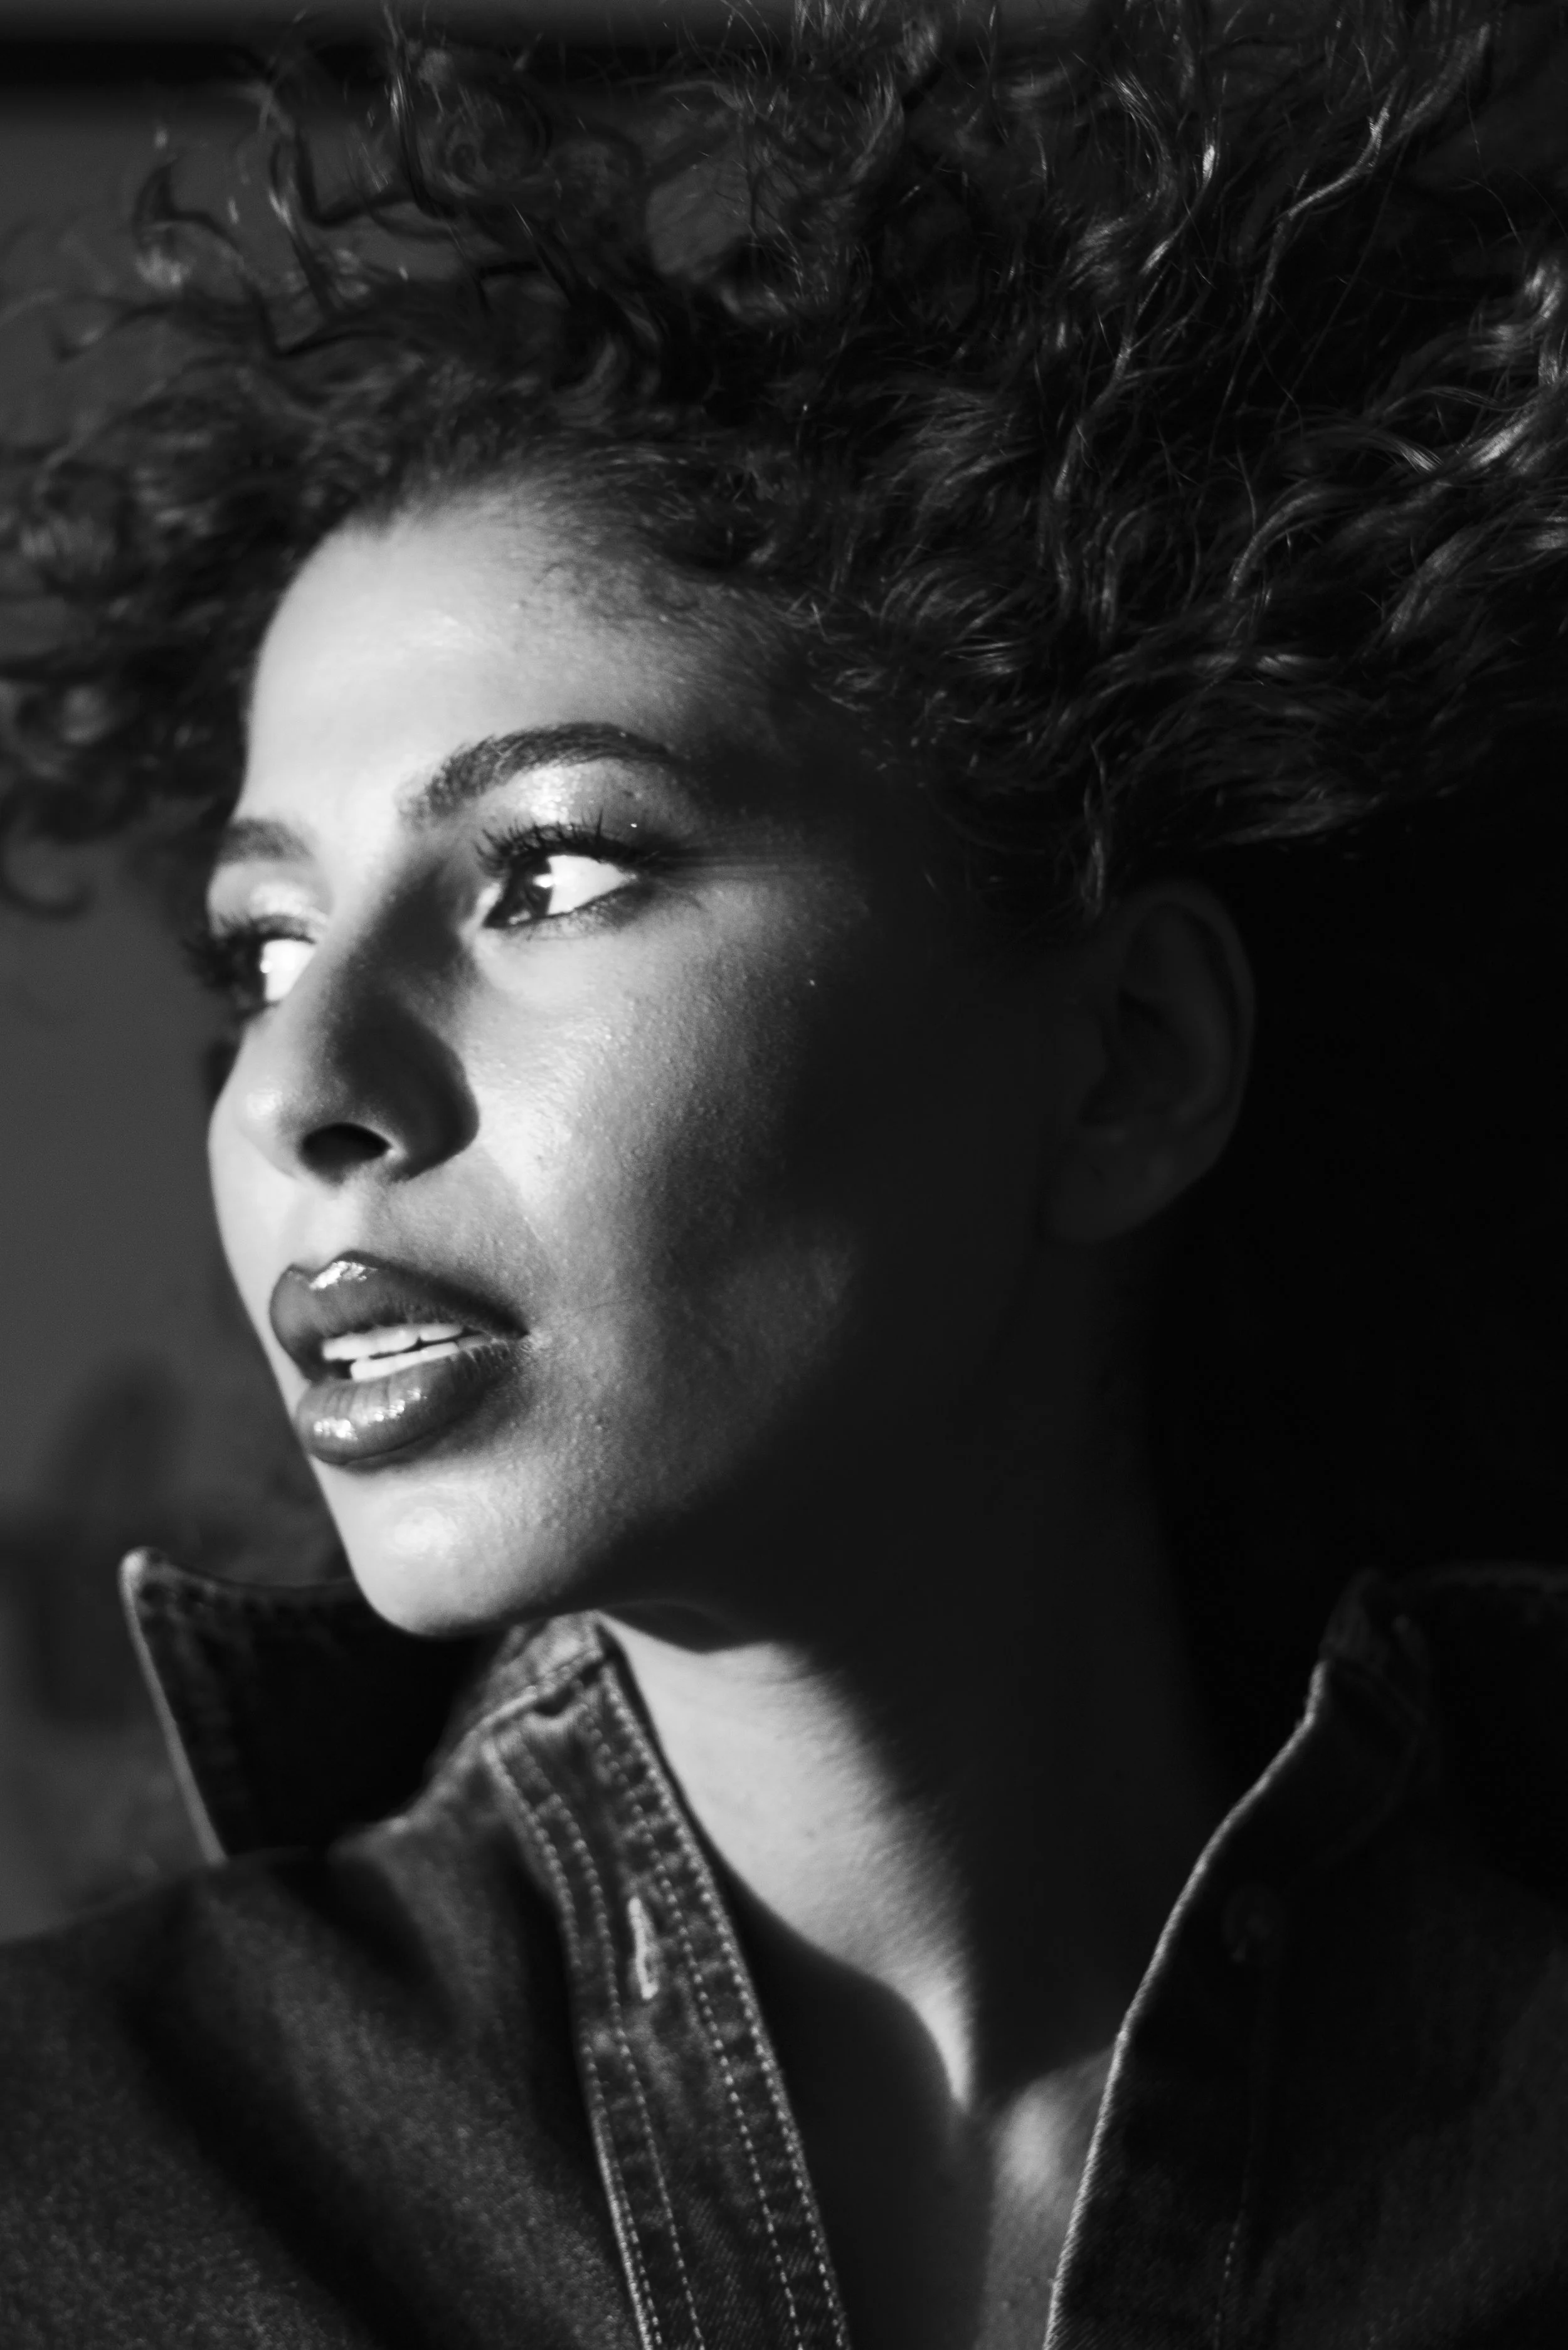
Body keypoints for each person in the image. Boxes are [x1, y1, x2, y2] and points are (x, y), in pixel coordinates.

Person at [1, 1, 1567, 2340]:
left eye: (546, 872)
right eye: (265, 941)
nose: (293, 1086)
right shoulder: (76, 2189)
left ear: (1125, 1055)